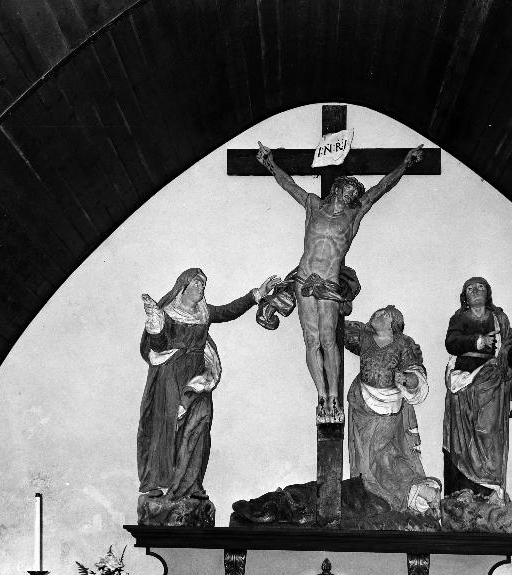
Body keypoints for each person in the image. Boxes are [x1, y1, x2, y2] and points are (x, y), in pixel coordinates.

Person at [256, 142, 424, 423]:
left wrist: (405, 164)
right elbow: (289, 186)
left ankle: (334, 395)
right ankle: (322, 396)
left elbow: (380, 189)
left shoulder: (353, 216)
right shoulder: (313, 205)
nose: (352, 195)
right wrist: (270, 164)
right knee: (311, 340)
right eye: (349, 189)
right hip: (304, 279)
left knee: (328, 340)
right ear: (337, 188)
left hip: (330, 284)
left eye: (355, 193)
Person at [137, 268, 280, 500]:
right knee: (165, 427)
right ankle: (157, 482)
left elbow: (228, 311)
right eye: (196, 283)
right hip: (170, 376)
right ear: (182, 286)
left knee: (200, 423)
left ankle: (190, 484)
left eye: (203, 285)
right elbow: (158, 345)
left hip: (198, 377)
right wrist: (155, 324)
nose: (201, 288)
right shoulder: (168, 313)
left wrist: (256, 295)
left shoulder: (204, 312)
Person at [443, 277, 512, 503]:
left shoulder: (500, 319)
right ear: (465, 297)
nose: (476, 291)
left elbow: (510, 348)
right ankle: (462, 493)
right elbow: (451, 342)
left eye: (480, 287)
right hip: (464, 384)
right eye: (470, 288)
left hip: (492, 384)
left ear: (488, 293)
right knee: (462, 437)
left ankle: (489, 492)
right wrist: (477, 342)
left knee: (489, 434)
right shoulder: (459, 318)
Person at [344, 305, 441, 515]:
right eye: (376, 312)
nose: (377, 315)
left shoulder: (403, 343)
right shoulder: (364, 337)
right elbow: (336, 330)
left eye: (384, 314)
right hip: (362, 406)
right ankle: (381, 502)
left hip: (388, 407)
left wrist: (407, 379)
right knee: (365, 458)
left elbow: (417, 374)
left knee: (382, 454)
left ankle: (418, 492)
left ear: (394, 322)